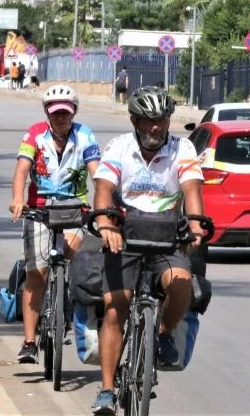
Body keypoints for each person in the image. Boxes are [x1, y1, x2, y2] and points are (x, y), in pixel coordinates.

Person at [90, 86, 206, 414]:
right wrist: (106, 225)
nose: (156, 127)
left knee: (181, 285)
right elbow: (103, 189)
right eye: (149, 120)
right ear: (135, 121)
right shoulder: (119, 147)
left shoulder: (182, 147)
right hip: (124, 237)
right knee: (116, 307)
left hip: (168, 234)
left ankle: (163, 335)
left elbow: (192, 189)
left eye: (163, 120)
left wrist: (195, 225)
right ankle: (107, 390)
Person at [9, 84, 102, 364]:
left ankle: (66, 302)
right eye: (56, 113)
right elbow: (22, 169)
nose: (61, 118)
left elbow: (97, 173)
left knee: (70, 258)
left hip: (75, 208)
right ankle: (29, 341)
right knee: (37, 273)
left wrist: (104, 206)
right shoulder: (35, 134)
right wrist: (17, 199)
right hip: (40, 210)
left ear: (73, 112)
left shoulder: (84, 135)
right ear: (47, 113)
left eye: (66, 113)